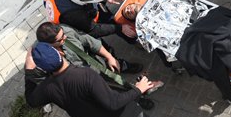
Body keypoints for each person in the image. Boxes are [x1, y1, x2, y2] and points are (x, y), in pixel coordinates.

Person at [25, 43, 179, 117]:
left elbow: (31, 101)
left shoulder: (47, 87)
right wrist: (138, 89)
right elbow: (113, 103)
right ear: (60, 52)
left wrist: (28, 73)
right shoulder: (85, 74)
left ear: (42, 68)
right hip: (116, 111)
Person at [27, 22, 163, 109]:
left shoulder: (65, 32)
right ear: (48, 45)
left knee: (118, 82)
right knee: (109, 95)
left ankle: (136, 95)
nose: (65, 39)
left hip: (96, 66)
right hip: (83, 84)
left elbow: (88, 41)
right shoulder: (40, 59)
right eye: (60, 40)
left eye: (63, 35)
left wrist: (109, 57)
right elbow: (42, 85)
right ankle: (135, 100)